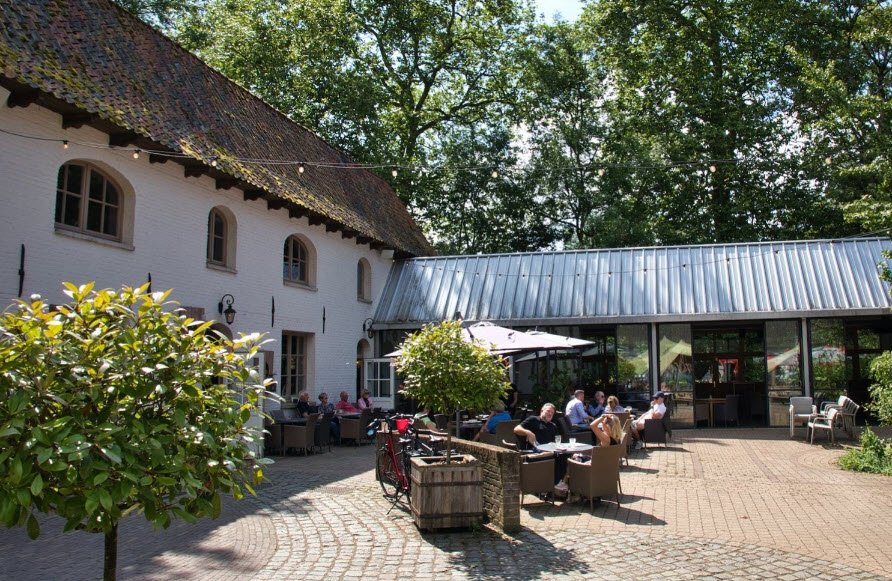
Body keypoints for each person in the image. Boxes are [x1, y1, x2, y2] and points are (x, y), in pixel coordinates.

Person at [514, 403, 567, 491]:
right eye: (548, 411)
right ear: (542, 410)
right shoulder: (533, 420)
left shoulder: (553, 426)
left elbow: (557, 441)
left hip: (550, 451)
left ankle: (558, 482)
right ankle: (556, 483)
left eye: (552, 413)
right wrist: (528, 432)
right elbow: (516, 429)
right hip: (536, 451)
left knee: (566, 455)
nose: (550, 414)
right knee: (559, 457)